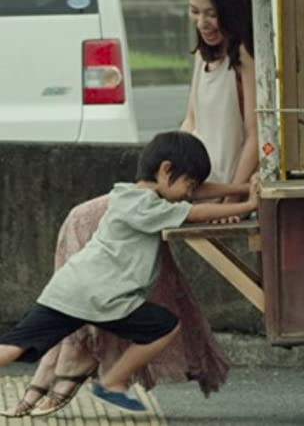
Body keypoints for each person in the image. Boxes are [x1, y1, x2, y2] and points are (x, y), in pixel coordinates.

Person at [3, 0, 258, 418]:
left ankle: (73, 352)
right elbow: (192, 122)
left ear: (232, 9)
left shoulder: (244, 60)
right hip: (181, 179)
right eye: (195, 12)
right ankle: (75, 348)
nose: (204, 23)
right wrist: (171, 164)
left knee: (87, 222)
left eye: (212, 12)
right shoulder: (203, 60)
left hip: (205, 184)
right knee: (84, 223)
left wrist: (235, 195)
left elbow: (256, 134)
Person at [0, 131, 259, 413]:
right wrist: (250, 204)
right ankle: (112, 381)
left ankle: (111, 381)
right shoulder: (147, 206)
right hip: (104, 298)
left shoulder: (127, 194)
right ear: (166, 170)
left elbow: (196, 194)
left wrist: (240, 188)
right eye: (189, 183)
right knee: (165, 326)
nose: (190, 193)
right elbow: (194, 212)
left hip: (68, 289)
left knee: (15, 346)